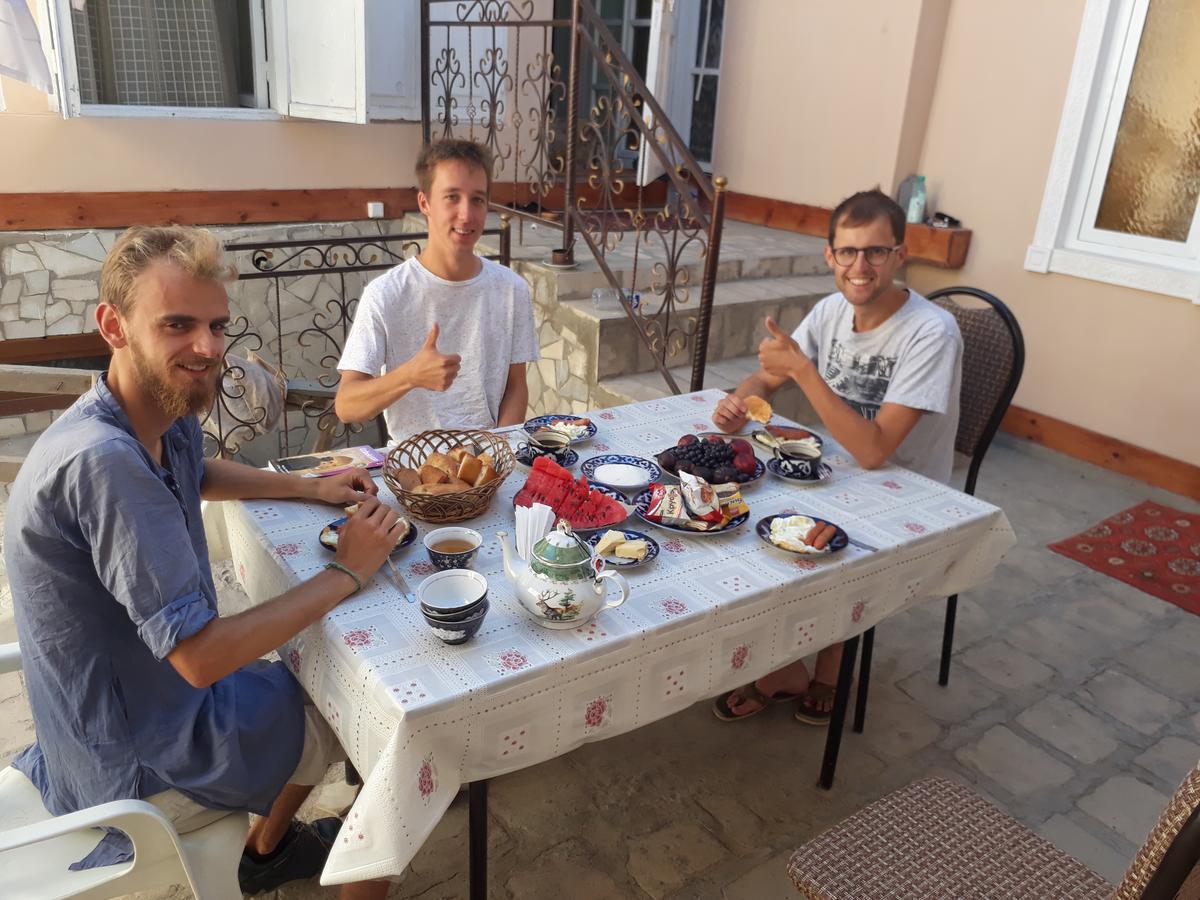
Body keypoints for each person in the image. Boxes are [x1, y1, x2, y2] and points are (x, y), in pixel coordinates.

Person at [4, 226, 398, 899]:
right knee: (375, 718)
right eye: (178, 324)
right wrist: (347, 572)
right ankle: (327, 847)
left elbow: (198, 471)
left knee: (328, 673)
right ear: (113, 325)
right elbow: (202, 657)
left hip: (115, 719)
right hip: (139, 767)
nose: (208, 348)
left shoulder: (148, 411)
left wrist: (310, 486)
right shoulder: (105, 465)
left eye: (217, 326)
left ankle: (266, 847)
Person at [710, 189, 962, 724]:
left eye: (875, 251)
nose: (860, 266)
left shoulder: (930, 332)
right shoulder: (831, 310)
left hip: (911, 489)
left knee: (813, 539)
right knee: (737, 511)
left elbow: (873, 450)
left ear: (900, 254)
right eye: (847, 252)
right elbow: (771, 376)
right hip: (840, 470)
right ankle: (783, 661)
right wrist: (740, 399)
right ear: (830, 255)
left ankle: (826, 664)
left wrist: (803, 370)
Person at [335, 139, 539, 441]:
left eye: (478, 200)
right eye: (452, 197)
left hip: (489, 466)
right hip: (415, 472)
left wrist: (498, 450)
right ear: (425, 203)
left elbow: (516, 387)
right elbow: (347, 405)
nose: (466, 215)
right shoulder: (386, 295)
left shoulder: (512, 290)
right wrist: (410, 375)